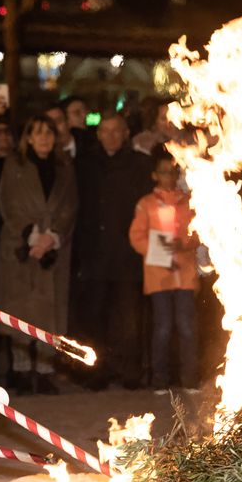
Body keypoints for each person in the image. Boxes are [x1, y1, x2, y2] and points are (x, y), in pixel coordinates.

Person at [70, 112, 153, 390]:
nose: (111, 136)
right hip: (94, 253)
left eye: (117, 130)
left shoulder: (140, 165)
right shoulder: (84, 165)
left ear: (126, 133)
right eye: (106, 130)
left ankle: (128, 372)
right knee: (94, 317)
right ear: (98, 133)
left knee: (127, 318)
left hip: (128, 254)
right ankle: (96, 372)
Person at [0, 114, 77, 395]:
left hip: (52, 249)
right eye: (38, 133)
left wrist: (51, 236)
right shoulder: (13, 165)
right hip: (20, 246)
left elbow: (70, 206)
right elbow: (7, 203)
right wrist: (30, 233)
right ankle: (20, 369)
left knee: (48, 310)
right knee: (21, 308)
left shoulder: (64, 167)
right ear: (28, 137)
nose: (44, 138)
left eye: (49, 133)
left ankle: (44, 369)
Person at [128, 148, 199, 393]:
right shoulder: (146, 204)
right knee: (163, 327)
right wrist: (161, 248)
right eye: (163, 172)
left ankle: (189, 379)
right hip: (159, 277)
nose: (168, 176)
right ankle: (160, 379)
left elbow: (198, 233)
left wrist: (188, 242)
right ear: (155, 175)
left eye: (172, 171)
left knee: (187, 327)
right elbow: (137, 237)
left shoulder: (187, 203)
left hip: (185, 276)